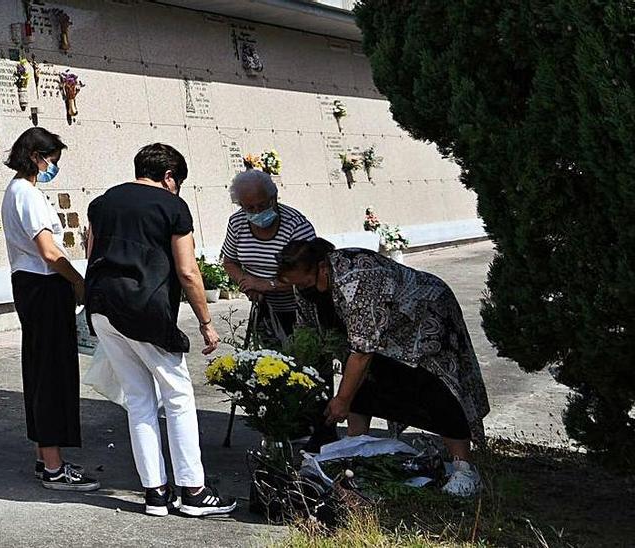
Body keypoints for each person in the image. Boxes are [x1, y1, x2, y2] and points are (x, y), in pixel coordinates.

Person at [85, 143, 236, 516]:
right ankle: (193, 491)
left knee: (138, 400)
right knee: (178, 395)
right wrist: (206, 322)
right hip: (145, 309)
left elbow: (91, 254)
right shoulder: (172, 206)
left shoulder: (102, 204)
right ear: (170, 176)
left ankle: (155, 493)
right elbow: (187, 270)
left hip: (102, 306)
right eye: (177, 182)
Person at [276, 238, 491, 497]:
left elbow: (362, 353)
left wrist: (341, 400)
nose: (302, 289)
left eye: (305, 283)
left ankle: (464, 468)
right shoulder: (307, 285)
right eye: (296, 285)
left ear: (321, 267)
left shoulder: (358, 280)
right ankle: (355, 449)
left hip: (427, 316)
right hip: (384, 333)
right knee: (363, 383)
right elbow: (309, 333)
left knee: (436, 386)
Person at [0, 127, 99, 492]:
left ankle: (46, 458)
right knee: (52, 374)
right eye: (51, 160)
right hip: (43, 285)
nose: (53, 167)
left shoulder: (16, 191)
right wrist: (78, 281)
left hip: (31, 285)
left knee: (42, 371)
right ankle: (55, 467)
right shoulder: (26, 194)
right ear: (35, 157)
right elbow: (49, 251)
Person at [220, 169, 317, 345]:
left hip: (302, 309)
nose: (257, 212)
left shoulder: (296, 225)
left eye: (263, 205)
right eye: (250, 208)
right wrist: (246, 282)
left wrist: (269, 285)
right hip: (265, 310)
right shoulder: (237, 223)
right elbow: (229, 262)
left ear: (274, 198)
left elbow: (310, 275)